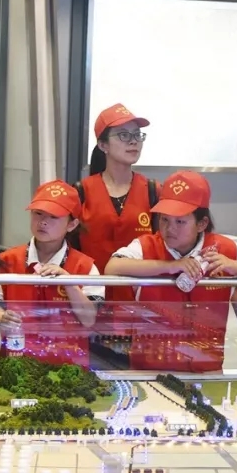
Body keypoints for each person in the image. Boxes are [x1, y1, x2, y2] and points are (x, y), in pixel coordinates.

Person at [105, 171, 237, 372]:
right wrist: (170, 266)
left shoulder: (223, 247)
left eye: (180, 222)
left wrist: (232, 265)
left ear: (202, 223)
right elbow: (112, 267)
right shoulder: (145, 246)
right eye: (164, 220)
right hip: (150, 370)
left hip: (207, 369)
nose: (170, 229)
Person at [0, 180, 103, 366]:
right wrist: (1, 316)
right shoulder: (6, 261)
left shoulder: (86, 267)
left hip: (69, 368)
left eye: (54, 216)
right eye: (38, 213)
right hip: (16, 365)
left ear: (72, 224)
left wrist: (69, 283)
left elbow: (89, 319)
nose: (43, 222)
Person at [77, 104, 158, 367]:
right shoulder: (80, 192)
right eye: (124, 135)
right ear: (103, 145)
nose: (133, 141)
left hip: (141, 314)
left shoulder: (154, 192)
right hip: (90, 310)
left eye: (137, 135)